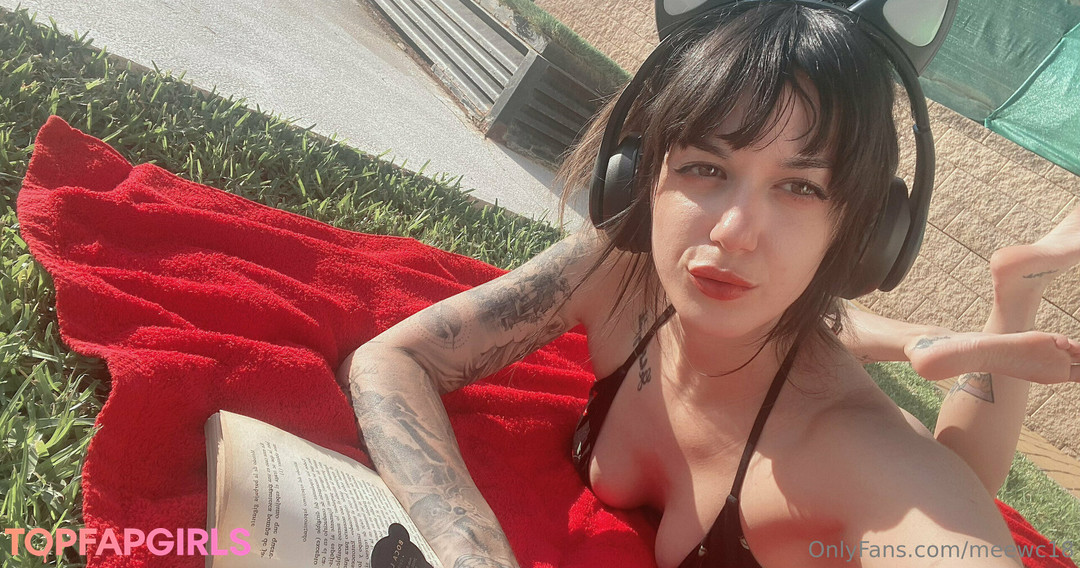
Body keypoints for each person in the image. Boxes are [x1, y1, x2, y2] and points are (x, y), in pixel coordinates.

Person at [338, 2, 1079, 567]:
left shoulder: (862, 456)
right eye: (704, 168)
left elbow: (950, 531)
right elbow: (395, 358)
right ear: (641, 175)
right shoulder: (620, 273)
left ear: (859, 237)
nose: (733, 231)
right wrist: (468, 547)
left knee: (965, 480)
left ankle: (1016, 288)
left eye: (800, 187)